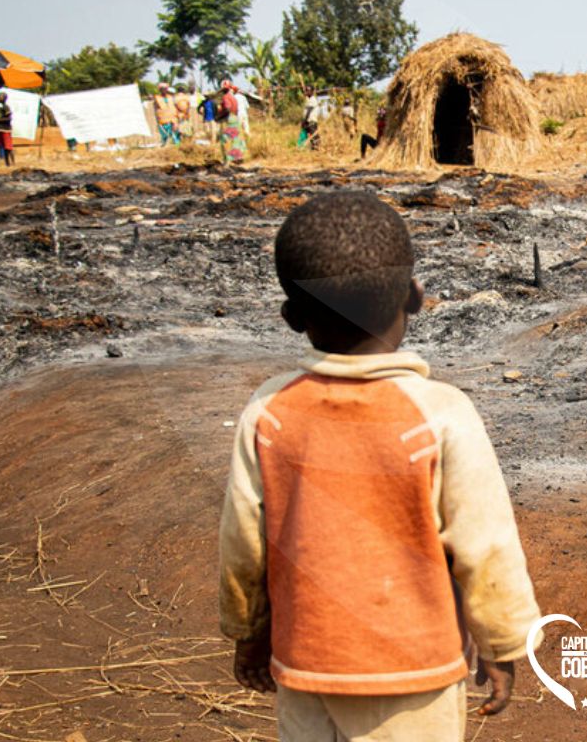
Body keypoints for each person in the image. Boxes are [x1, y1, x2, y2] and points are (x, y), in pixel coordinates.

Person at [219, 192, 542, 741]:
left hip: (306, 664)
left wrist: (249, 632)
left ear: (293, 317)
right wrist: (502, 645)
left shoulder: (269, 412)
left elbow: (243, 544)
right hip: (415, 671)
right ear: (414, 298)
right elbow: (485, 545)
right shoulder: (440, 415)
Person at [215, 80, 247, 164]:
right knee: (235, 139)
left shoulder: (225, 97)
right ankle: (237, 157)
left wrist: (220, 115)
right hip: (235, 118)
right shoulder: (233, 97)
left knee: (224, 140)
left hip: (228, 118)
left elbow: (227, 108)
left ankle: (227, 160)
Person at [0, 93, 15, 167]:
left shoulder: (6, 107)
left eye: (0, 97)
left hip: (5, 129)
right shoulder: (0, 108)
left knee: (8, 147)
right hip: (1, 129)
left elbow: (9, 118)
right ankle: (8, 162)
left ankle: (9, 162)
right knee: (5, 146)